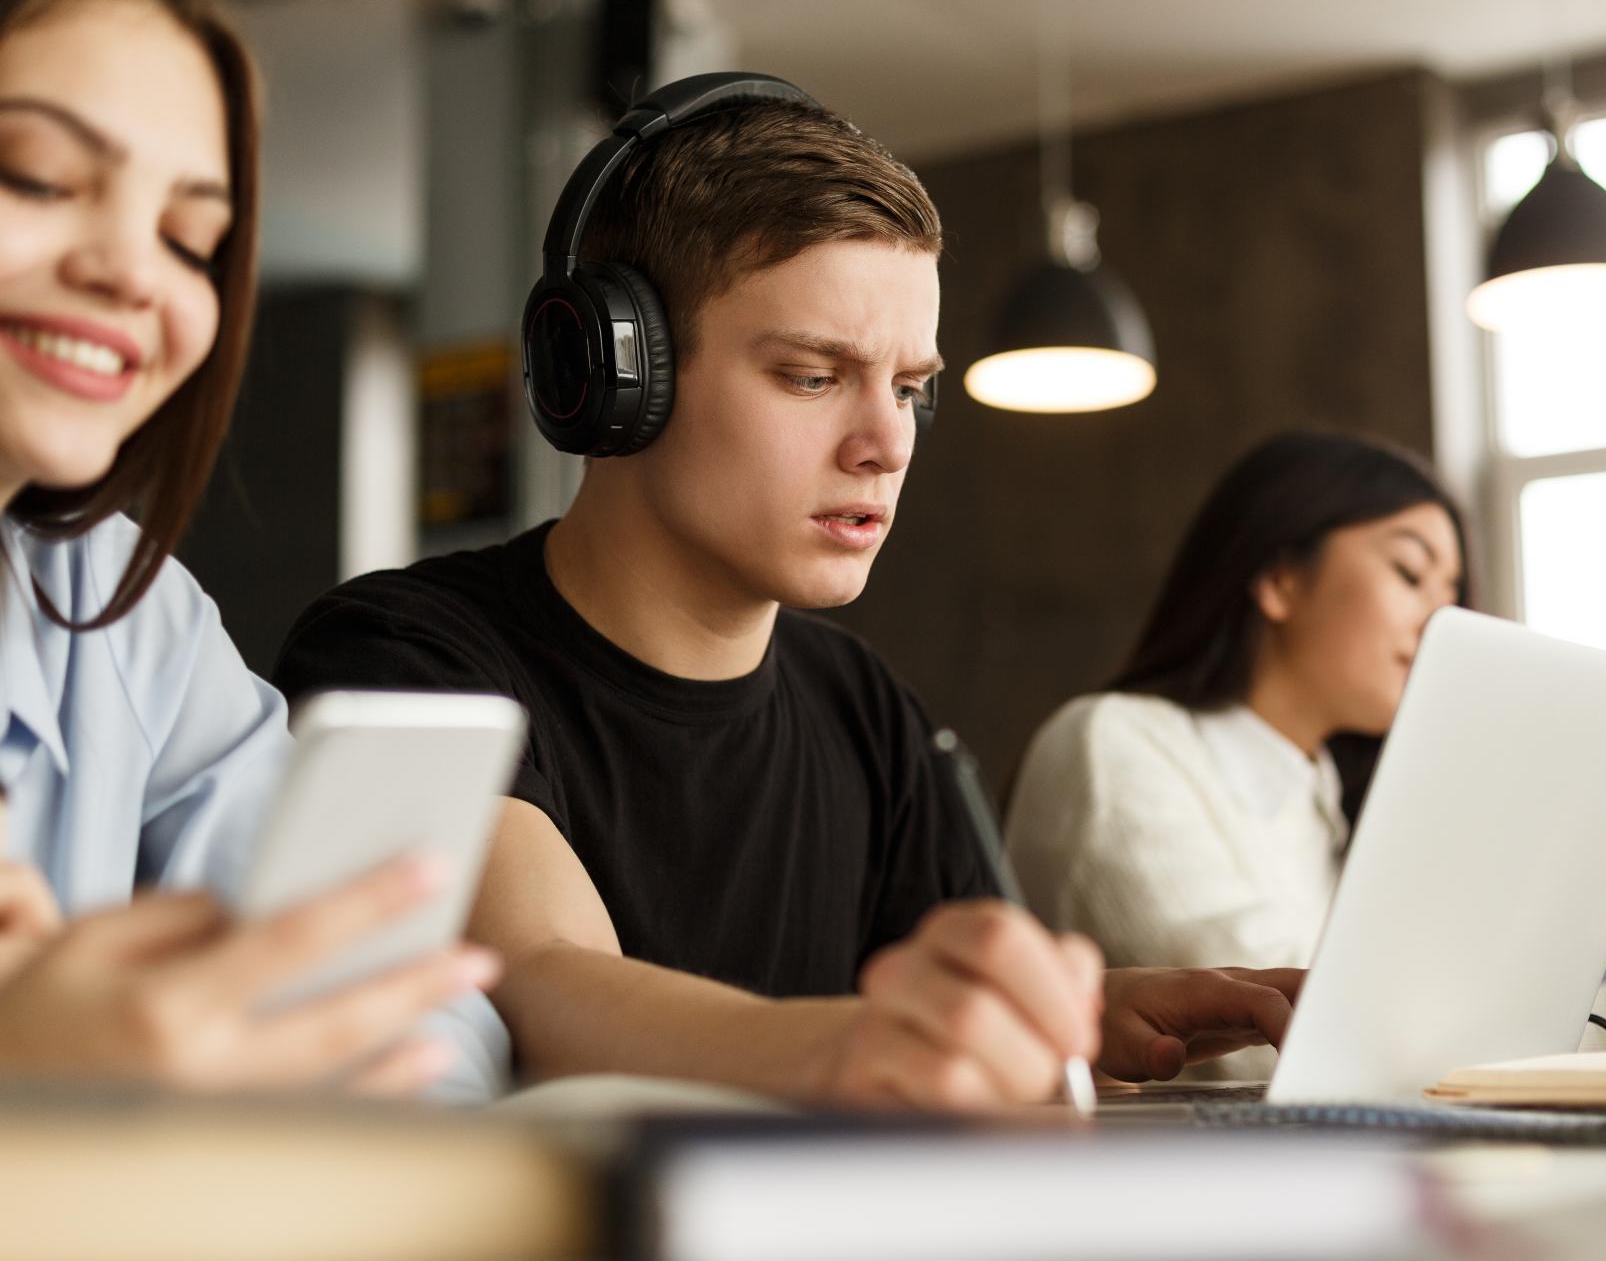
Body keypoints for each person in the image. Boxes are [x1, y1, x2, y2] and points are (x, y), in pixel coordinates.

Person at [273, 80, 1304, 1110]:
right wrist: (865, 1045)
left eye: (907, 387)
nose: (888, 442)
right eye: (814, 375)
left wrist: (1071, 1021)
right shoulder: (402, 657)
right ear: (622, 374)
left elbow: (927, 1021)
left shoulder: (864, 708)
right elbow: (543, 978)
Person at [0, 0, 497, 1090]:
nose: (132, 271)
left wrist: (295, 1056)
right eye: (33, 174)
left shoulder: (124, 610)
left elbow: (426, 1007)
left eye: (190, 238)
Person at [1003, 434, 1462, 1062]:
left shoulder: (1331, 802)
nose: (1444, 619)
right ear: (1278, 579)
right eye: (1411, 573)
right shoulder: (1112, 745)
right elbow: (1275, 1037)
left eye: (1451, 590)